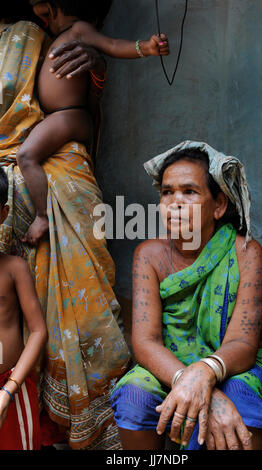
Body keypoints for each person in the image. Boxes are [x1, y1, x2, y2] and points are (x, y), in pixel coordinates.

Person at [0, 6, 131, 449]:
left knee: (86, 299)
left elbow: (72, 104)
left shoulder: (27, 38)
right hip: (20, 174)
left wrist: (97, 75)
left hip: (57, 170)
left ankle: (97, 419)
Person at [111, 141, 262, 450]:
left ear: (219, 205)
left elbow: (243, 344)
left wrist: (207, 372)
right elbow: (146, 342)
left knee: (239, 402)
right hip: (171, 363)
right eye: (166, 192)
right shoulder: (149, 255)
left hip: (232, 362)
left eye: (189, 192)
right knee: (134, 396)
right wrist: (192, 382)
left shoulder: (244, 253)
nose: (175, 202)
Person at [16, 0, 169, 246]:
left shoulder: (79, 30)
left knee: (26, 156)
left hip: (69, 115)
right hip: (62, 116)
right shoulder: (61, 34)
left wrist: (146, 48)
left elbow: (113, 45)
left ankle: (42, 217)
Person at [0, 167, 48, 450]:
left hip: (10, 387)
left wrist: (9, 390)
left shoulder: (14, 269)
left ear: (3, 213)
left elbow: (38, 331)